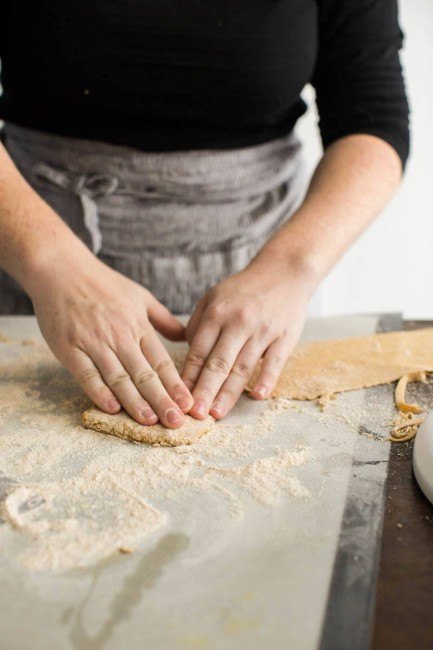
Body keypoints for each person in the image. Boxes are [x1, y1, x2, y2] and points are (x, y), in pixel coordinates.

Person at [0, 2, 409, 429]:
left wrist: (289, 268)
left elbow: (374, 118)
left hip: (263, 258)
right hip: (28, 242)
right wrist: (53, 264)